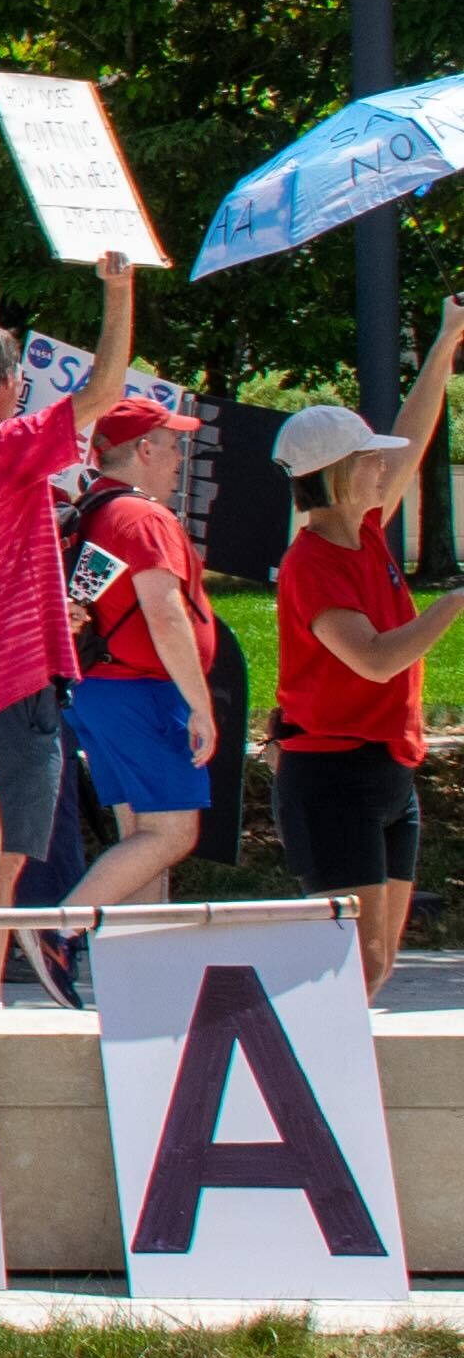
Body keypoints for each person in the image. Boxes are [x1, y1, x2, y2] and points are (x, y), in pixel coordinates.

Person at [0, 253, 136, 995]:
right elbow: (105, 391)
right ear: (11, 382)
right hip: (9, 688)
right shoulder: (0, 448)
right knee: (0, 860)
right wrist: (119, 292)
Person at [270, 303, 464, 1000]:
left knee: (375, 966)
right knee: (348, 971)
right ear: (336, 475)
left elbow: (413, 434)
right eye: (368, 459)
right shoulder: (312, 561)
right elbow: (376, 658)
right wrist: (454, 601)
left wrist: (444, 342)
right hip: (333, 779)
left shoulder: (368, 530)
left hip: (388, 772)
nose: (384, 465)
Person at [58, 400, 220, 913]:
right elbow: (165, 614)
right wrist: (201, 704)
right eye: (173, 447)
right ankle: (57, 928)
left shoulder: (93, 509)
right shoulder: (143, 517)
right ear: (145, 449)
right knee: (172, 834)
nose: (179, 460)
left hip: (97, 690)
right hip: (141, 692)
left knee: (141, 838)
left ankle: (139, 974)